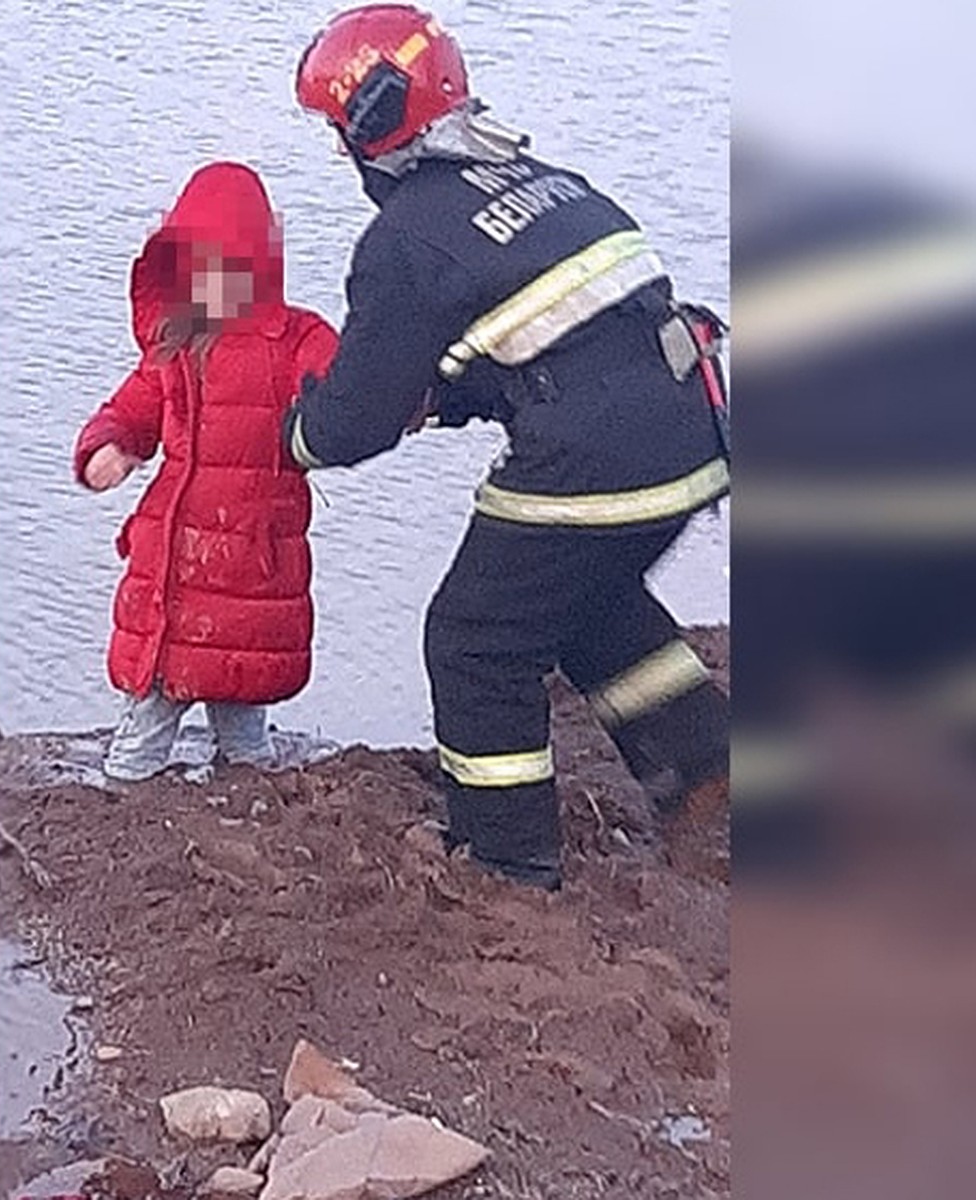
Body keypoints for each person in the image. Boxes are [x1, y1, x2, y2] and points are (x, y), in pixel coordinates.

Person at [285, 5, 729, 888]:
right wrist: (446, 400)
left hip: (596, 464)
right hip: (694, 433)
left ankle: (505, 859)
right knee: (586, 603)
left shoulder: (405, 240)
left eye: (339, 131)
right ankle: (711, 780)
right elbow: (550, 336)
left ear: (372, 125)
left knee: (476, 639)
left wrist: (293, 436)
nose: (339, 152)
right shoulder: (550, 183)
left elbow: (351, 426)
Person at [74, 162, 338, 781]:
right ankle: (129, 782)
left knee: (240, 692)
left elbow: (348, 390)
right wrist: (108, 446)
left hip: (251, 555)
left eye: (223, 266)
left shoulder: (296, 339)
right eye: (192, 268)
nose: (208, 283)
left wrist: (391, 402)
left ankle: (247, 782)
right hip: (174, 555)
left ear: (257, 266)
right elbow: (134, 405)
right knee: (155, 694)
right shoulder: (177, 342)